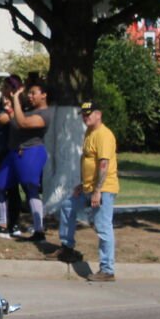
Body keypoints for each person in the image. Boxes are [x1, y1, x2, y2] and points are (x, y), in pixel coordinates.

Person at [57, 101, 118, 282]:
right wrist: (83, 184)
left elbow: (104, 165)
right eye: (83, 115)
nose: (85, 117)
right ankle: (68, 249)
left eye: (89, 114)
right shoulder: (90, 132)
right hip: (89, 187)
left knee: (103, 226)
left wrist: (97, 191)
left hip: (103, 189)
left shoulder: (104, 135)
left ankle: (107, 270)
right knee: (68, 206)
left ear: (98, 114)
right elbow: (89, 162)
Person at [3, 77, 52, 241]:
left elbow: (22, 123)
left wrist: (16, 98)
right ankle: (4, 224)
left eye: (33, 93)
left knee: (31, 189)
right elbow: (17, 122)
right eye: (29, 93)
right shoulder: (30, 110)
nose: (30, 96)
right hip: (19, 153)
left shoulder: (45, 113)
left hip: (33, 152)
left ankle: (39, 230)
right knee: (2, 185)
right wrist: (11, 109)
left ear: (44, 95)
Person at [0, 76, 24, 236]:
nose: (2, 90)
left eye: (5, 87)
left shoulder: (15, 107)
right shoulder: (3, 106)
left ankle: (11, 224)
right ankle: (5, 223)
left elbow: (2, 119)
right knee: (5, 187)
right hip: (0, 149)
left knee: (8, 187)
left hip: (10, 150)